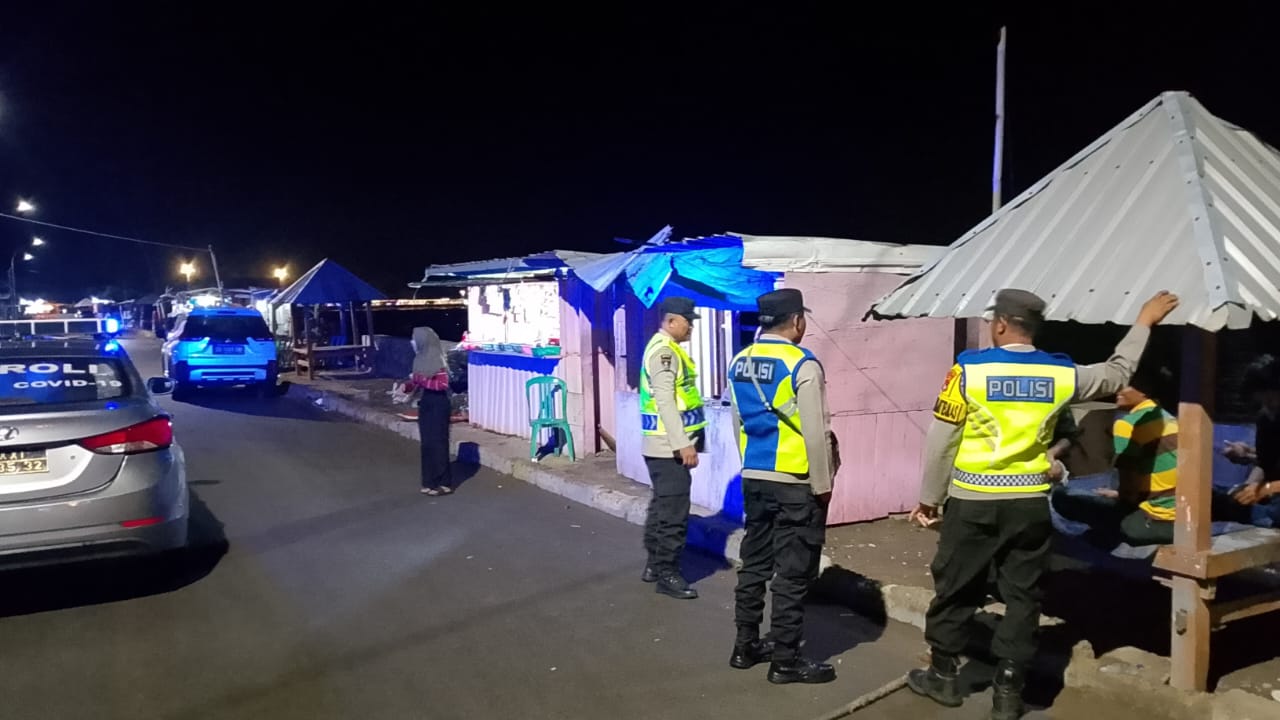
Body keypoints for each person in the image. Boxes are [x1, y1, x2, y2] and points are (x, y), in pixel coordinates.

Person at [906, 289, 1179, 720]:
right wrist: (1144, 321)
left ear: (1000, 324)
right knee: (1022, 594)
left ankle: (943, 677)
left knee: (956, 583)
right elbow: (1117, 372)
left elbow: (943, 439)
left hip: (973, 500)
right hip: (1029, 504)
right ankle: (1008, 693)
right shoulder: (1061, 373)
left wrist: (929, 500)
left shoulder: (968, 371)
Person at [727, 288, 840, 685]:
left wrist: (751, 465)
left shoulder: (740, 360)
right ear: (796, 321)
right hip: (794, 482)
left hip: (755, 477)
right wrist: (823, 485)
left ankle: (744, 646)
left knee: (754, 564)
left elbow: (738, 422)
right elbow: (815, 433)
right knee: (792, 573)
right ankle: (786, 660)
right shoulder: (802, 364)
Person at [1051, 364, 1180, 546]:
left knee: (1062, 497)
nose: (1118, 391)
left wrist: (1119, 496)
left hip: (1155, 517)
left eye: (1126, 386)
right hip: (1175, 508)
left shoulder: (1127, 423)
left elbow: (1128, 486)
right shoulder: (1169, 418)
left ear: (1144, 392)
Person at [638, 297, 706, 600]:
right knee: (674, 513)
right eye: (688, 322)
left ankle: (655, 565)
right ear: (672, 321)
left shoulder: (666, 348)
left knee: (662, 507)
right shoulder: (664, 353)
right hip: (668, 447)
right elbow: (665, 401)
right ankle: (667, 573)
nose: (691, 327)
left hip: (662, 445)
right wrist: (682, 444)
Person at [1225, 355, 1280, 524]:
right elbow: (1266, 463)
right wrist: (1248, 488)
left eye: (1271, 398)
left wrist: (1266, 489)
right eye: (1262, 399)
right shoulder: (1265, 419)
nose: (1268, 404)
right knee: (1223, 499)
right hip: (1271, 493)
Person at [409, 326, 454, 496]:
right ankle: (429, 481)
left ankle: (444, 482)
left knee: (438, 442)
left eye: (416, 339)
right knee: (427, 443)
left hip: (438, 403)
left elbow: (442, 384)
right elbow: (416, 381)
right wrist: (408, 386)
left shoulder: (437, 359)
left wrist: (421, 380)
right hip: (426, 402)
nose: (413, 342)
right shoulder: (419, 359)